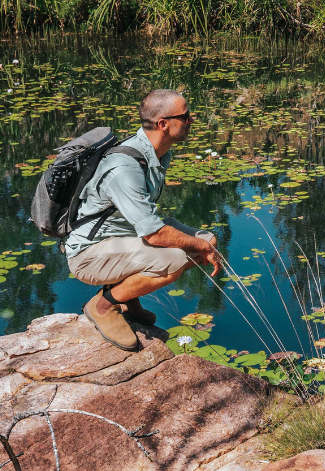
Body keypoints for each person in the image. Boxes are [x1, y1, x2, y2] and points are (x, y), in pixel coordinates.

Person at [65, 89, 221, 352]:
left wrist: (202, 245)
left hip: (123, 239)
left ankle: (128, 296)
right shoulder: (125, 168)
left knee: (208, 240)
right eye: (185, 116)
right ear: (164, 124)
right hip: (89, 254)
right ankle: (103, 305)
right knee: (173, 260)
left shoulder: (157, 152)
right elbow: (154, 235)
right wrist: (198, 248)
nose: (191, 120)